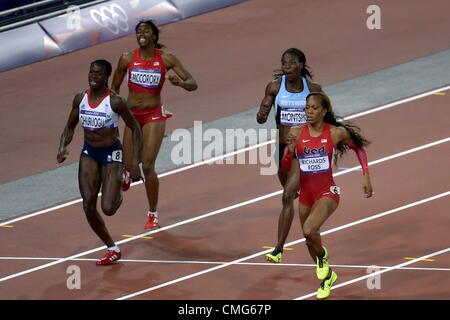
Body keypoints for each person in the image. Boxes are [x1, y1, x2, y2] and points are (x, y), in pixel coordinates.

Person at [281, 91, 373, 299]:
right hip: (306, 193)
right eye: (307, 108)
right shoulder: (296, 132)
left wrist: (365, 175)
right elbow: (286, 166)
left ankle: (323, 257)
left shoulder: (335, 133)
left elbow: (359, 149)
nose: (309, 111)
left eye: (314, 108)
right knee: (309, 237)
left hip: (327, 191)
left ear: (323, 111)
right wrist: (289, 150)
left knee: (308, 229)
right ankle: (328, 277)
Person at [111, 20, 197, 230]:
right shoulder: (127, 58)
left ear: (154, 37)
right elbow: (114, 88)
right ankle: (127, 171)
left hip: (153, 115)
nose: (141, 33)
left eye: (146, 31)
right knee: (128, 166)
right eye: (138, 30)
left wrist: (181, 83)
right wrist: (115, 115)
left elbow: (193, 84)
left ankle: (152, 214)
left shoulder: (166, 59)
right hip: (132, 116)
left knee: (147, 165)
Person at [57, 59, 143, 265]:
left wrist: (135, 162)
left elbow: (136, 128)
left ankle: (122, 178)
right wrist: (62, 146)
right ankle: (112, 248)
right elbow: (70, 127)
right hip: (89, 152)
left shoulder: (115, 102)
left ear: (106, 77)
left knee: (108, 208)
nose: (93, 76)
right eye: (91, 72)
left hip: (111, 153)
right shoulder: (80, 99)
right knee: (88, 205)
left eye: (97, 74)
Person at [256, 48, 323, 263]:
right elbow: (261, 116)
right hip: (283, 148)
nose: (286, 66)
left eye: (291, 63)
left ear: (301, 64)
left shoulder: (313, 89)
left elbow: (324, 117)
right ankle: (309, 195)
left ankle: (278, 249)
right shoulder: (275, 87)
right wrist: (262, 113)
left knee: (287, 196)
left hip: (303, 150)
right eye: (284, 63)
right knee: (290, 192)